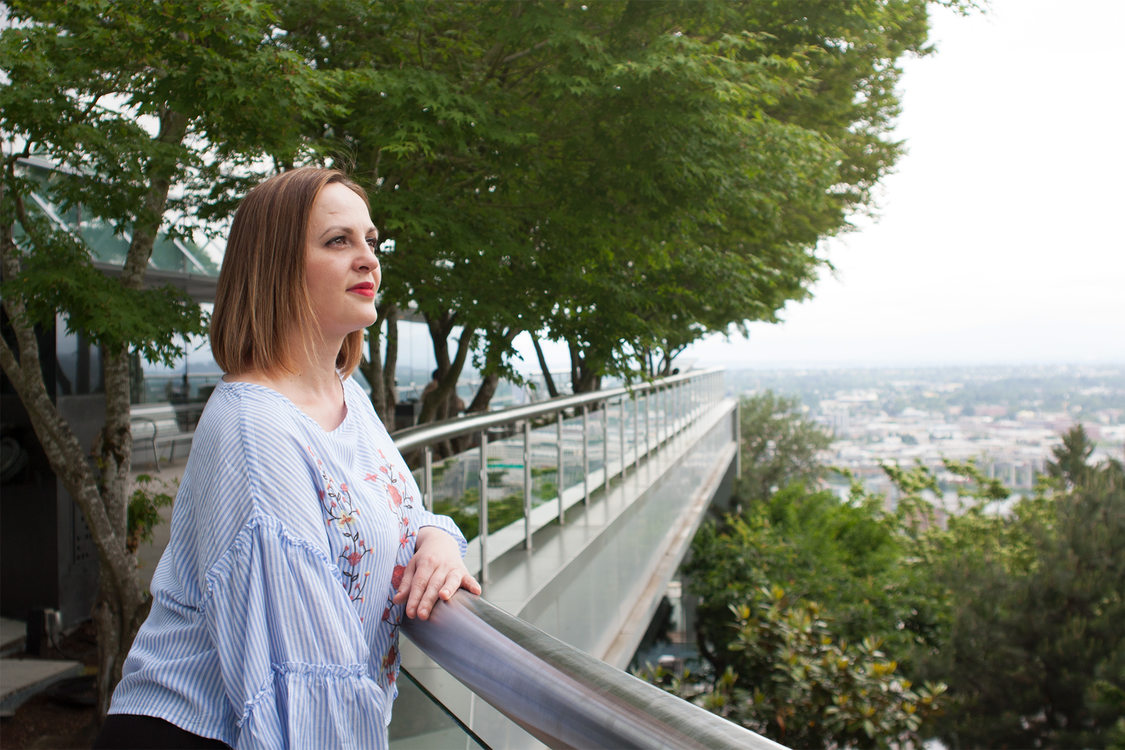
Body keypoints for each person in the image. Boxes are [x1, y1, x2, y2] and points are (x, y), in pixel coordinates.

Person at [95, 167, 480, 749]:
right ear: (276, 267)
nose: (368, 259)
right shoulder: (257, 428)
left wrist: (440, 542)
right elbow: (303, 685)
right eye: (338, 241)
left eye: (370, 241)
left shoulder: (344, 393)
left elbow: (406, 514)